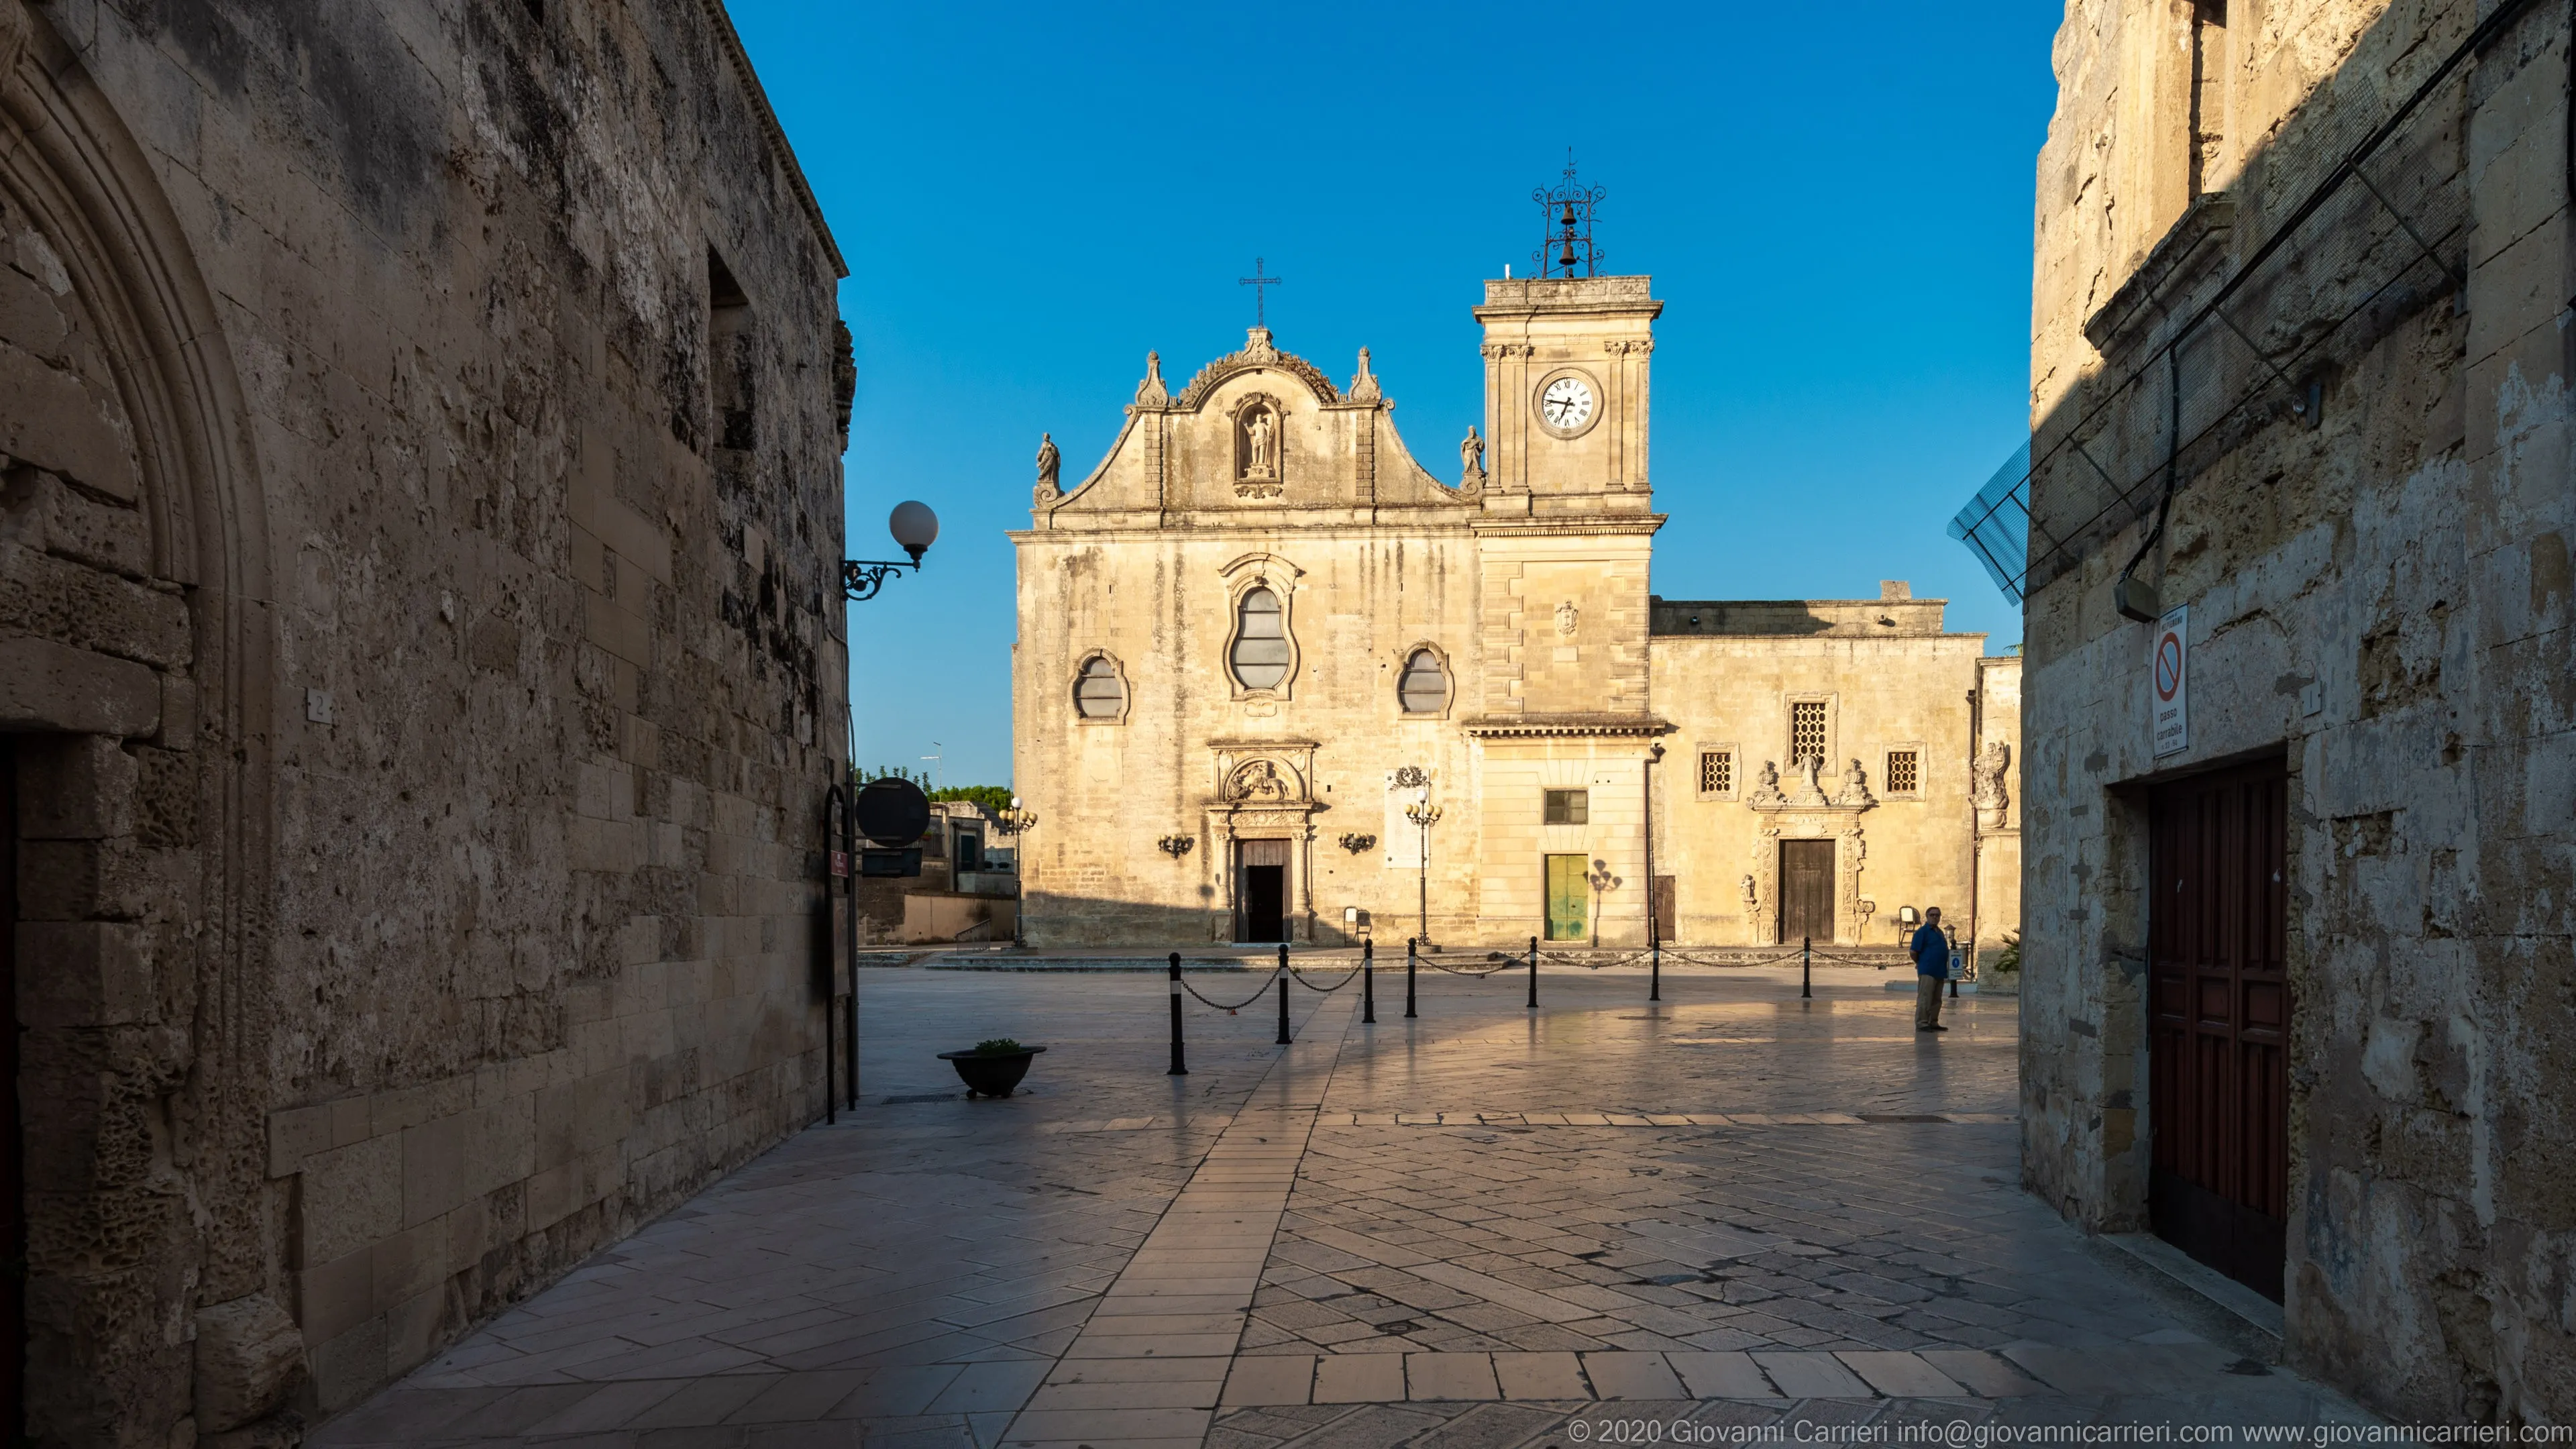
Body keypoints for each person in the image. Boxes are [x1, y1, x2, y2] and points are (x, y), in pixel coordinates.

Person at [1910, 908, 1952, 1032]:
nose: (1935, 917)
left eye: (1937, 915)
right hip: (1927, 970)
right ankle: (1922, 1023)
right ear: (1927, 916)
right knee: (1925, 998)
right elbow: (1913, 951)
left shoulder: (1939, 932)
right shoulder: (1922, 932)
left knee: (1936, 999)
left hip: (1940, 970)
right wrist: (1920, 962)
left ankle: (1933, 1021)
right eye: (1932, 915)